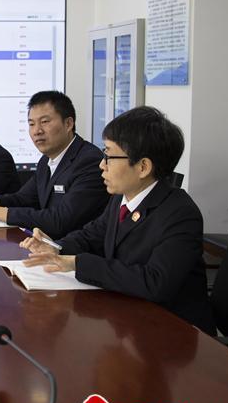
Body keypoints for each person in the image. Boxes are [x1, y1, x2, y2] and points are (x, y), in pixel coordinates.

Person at [19, 106, 214, 334]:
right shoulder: (121, 197)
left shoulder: (180, 214)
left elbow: (155, 282)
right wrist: (54, 247)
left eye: (109, 156)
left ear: (143, 167)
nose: (101, 165)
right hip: (128, 318)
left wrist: (77, 263)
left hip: (174, 332)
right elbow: (91, 235)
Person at [0, 91, 108, 238]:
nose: (37, 131)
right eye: (31, 124)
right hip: (44, 244)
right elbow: (24, 198)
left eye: (45, 122)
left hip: (73, 248)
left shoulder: (90, 161)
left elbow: (61, 221)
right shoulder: (45, 160)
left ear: (68, 124)